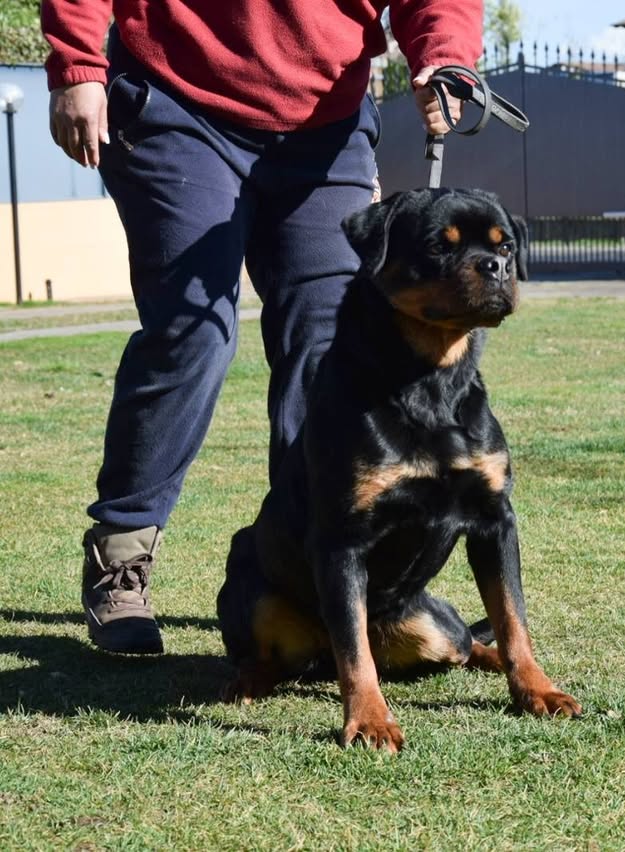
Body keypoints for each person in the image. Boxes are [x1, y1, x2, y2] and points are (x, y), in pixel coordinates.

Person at [41, 1, 483, 655]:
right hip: (176, 99)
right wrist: (78, 65)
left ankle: (311, 580)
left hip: (324, 123)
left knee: (329, 349)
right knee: (194, 332)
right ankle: (122, 555)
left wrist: (445, 55)